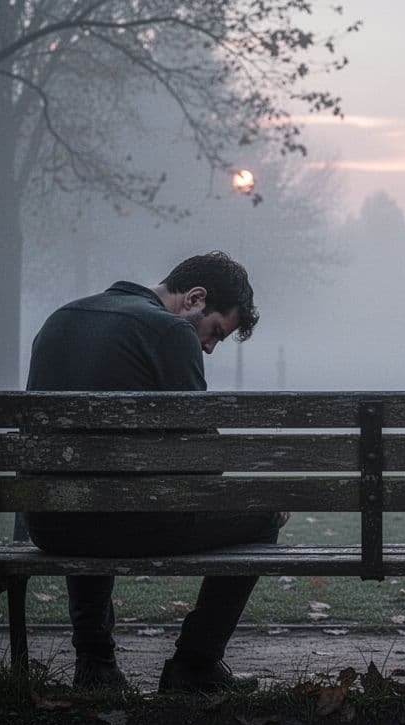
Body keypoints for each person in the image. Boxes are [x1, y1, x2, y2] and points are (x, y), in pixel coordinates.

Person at [23, 251, 281, 693]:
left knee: (88, 495)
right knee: (264, 515)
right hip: (131, 523)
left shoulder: (61, 319)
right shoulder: (171, 332)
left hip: (47, 523)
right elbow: (203, 457)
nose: (209, 347)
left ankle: (95, 664)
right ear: (195, 298)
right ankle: (195, 666)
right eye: (216, 332)